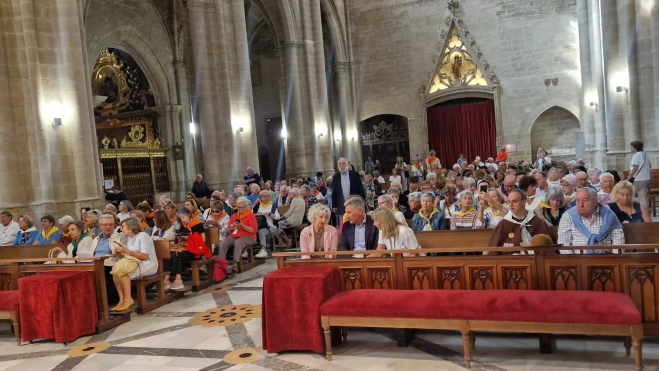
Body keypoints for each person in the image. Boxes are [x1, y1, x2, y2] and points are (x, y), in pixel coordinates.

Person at [110, 217, 158, 311]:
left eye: (123, 226)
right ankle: (122, 300)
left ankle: (128, 299)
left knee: (124, 273)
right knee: (115, 272)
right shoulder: (130, 238)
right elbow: (128, 258)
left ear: (131, 227)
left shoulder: (143, 236)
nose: (121, 229)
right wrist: (119, 254)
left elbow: (145, 257)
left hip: (149, 264)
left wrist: (127, 251)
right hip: (136, 263)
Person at [557, 188, 625, 254]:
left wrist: (615, 262)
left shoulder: (609, 215)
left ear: (595, 201)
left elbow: (618, 243)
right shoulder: (568, 216)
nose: (581, 205)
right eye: (577, 201)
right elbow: (563, 243)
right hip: (578, 260)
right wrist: (572, 262)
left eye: (585, 200)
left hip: (606, 259)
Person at [167, 207, 206, 290]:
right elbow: (180, 237)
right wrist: (180, 238)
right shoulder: (182, 225)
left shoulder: (197, 224)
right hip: (186, 248)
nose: (182, 219)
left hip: (195, 251)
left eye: (183, 217)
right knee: (171, 254)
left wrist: (189, 238)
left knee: (177, 255)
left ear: (189, 215)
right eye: (180, 218)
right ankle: (166, 279)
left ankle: (178, 280)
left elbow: (203, 239)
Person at [218, 196, 258, 273]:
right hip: (235, 235)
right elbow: (228, 230)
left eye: (241, 207)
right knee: (224, 242)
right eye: (238, 207)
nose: (239, 209)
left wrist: (242, 226)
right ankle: (221, 264)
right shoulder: (234, 216)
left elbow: (253, 230)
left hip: (248, 236)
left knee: (238, 242)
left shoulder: (250, 215)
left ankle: (235, 263)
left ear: (246, 207)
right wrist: (230, 228)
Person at [253, 190, 280, 259]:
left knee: (261, 231)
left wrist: (269, 214)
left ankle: (263, 250)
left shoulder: (273, 205)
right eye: (264, 196)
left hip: (270, 226)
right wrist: (259, 214)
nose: (266, 198)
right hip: (258, 225)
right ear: (260, 198)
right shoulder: (257, 206)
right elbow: (251, 215)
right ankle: (247, 251)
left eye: (268, 196)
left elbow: (278, 217)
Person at [627, 140, 651, 207]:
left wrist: (629, 177)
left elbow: (635, 167)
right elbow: (649, 165)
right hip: (646, 178)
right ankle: (645, 212)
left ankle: (630, 211)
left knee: (630, 194)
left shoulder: (636, 155)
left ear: (635, 147)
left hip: (638, 179)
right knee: (642, 195)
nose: (631, 149)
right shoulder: (645, 154)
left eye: (631, 147)